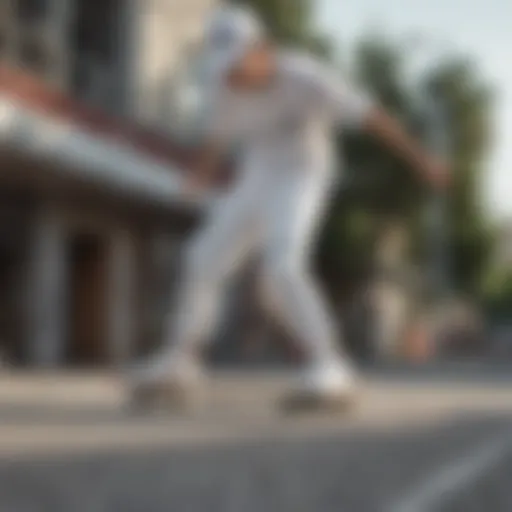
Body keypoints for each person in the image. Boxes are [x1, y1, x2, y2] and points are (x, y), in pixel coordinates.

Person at [129, 5, 448, 410]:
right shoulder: (219, 82)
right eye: (225, 67)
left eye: (240, 64)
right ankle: (179, 363)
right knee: (201, 258)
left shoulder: (306, 77)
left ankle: (331, 369)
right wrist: (199, 177)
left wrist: (423, 161)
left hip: (304, 172)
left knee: (281, 265)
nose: (235, 76)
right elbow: (218, 137)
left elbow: (372, 117)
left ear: (262, 50)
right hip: (256, 173)